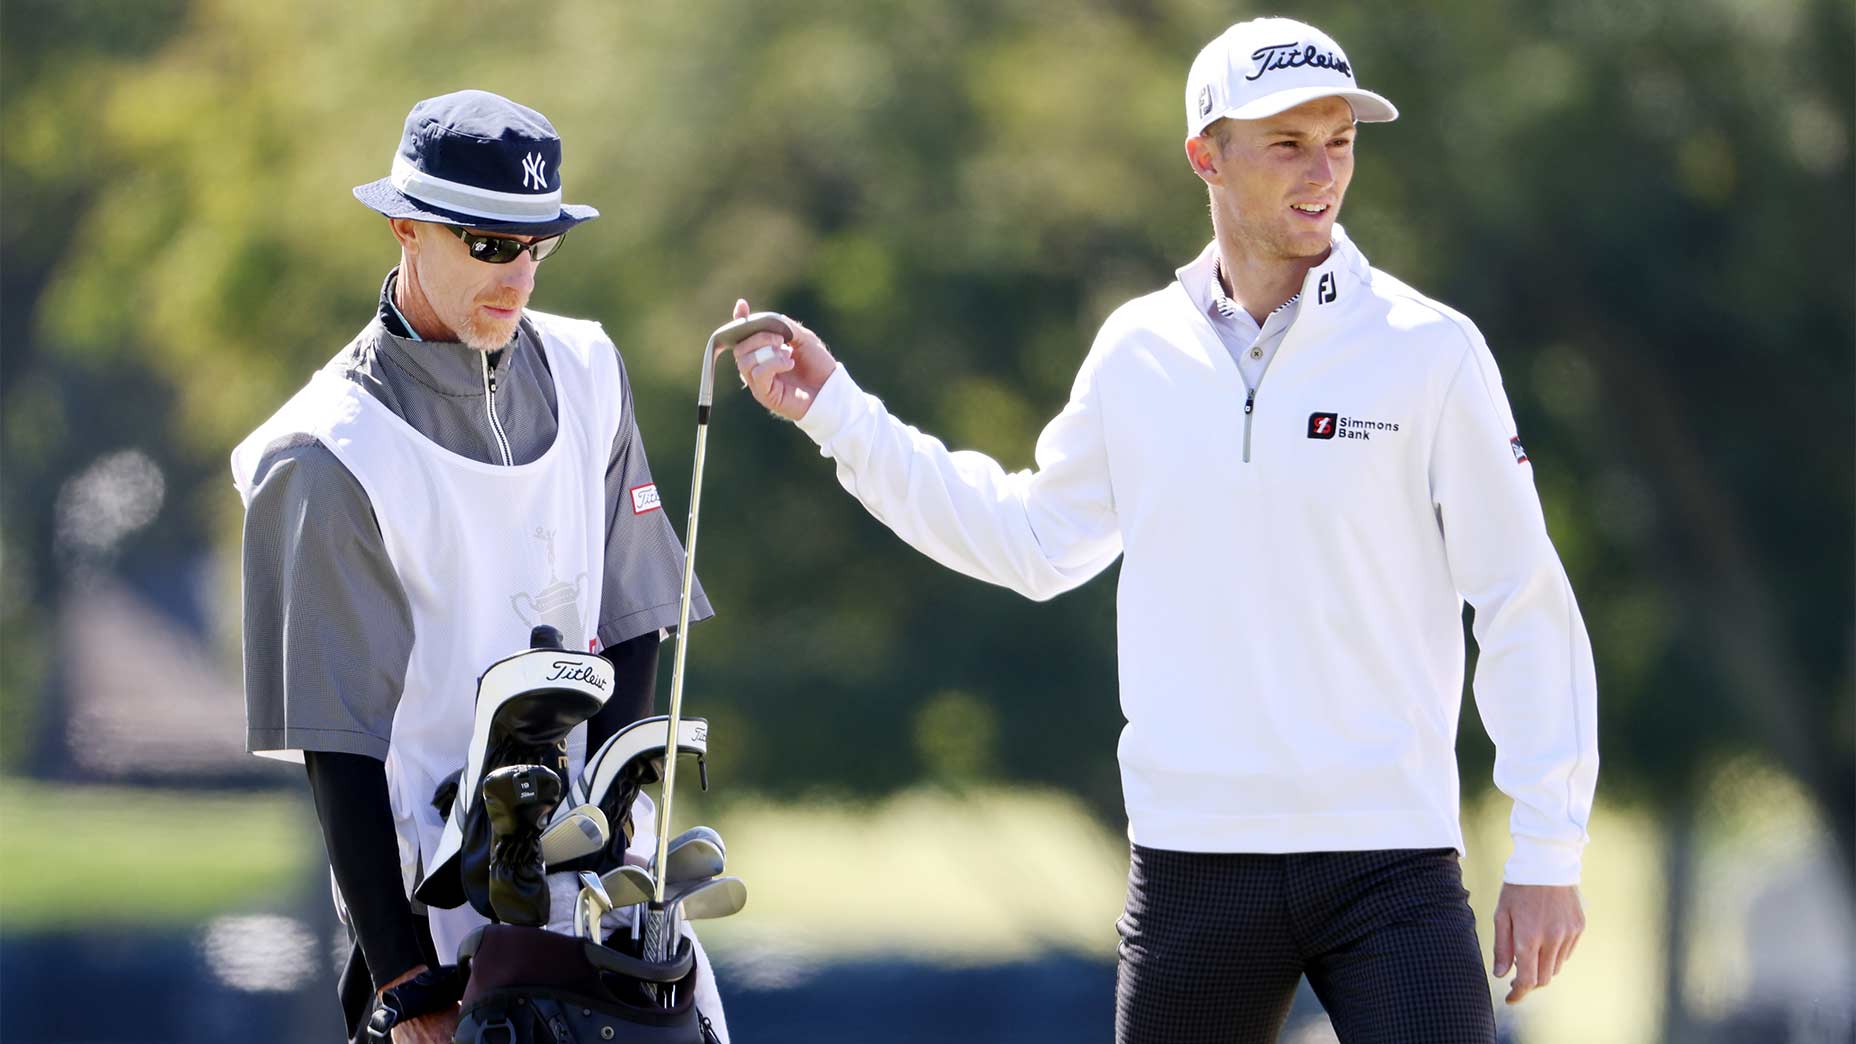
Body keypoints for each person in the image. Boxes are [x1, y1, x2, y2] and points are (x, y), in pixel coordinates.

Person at [726, 17, 1596, 1044]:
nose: (1322, 173)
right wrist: (837, 414)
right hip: (1193, 866)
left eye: (1339, 142)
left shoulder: (1429, 353)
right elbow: (1029, 541)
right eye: (1286, 145)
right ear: (1204, 156)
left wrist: (1546, 850)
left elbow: (1519, 600)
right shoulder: (1135, 350)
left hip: (1387, 861)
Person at [230, 91, 727, 1043]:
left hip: (610, 908)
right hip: (438, 923)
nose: (520, 275)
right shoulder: (324, 454)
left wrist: (608, 822)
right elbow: (340, 747)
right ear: (404, 226)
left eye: (539, 244)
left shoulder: (590, 369)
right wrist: (404, 977)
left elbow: (635, 612)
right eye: (490, 245)